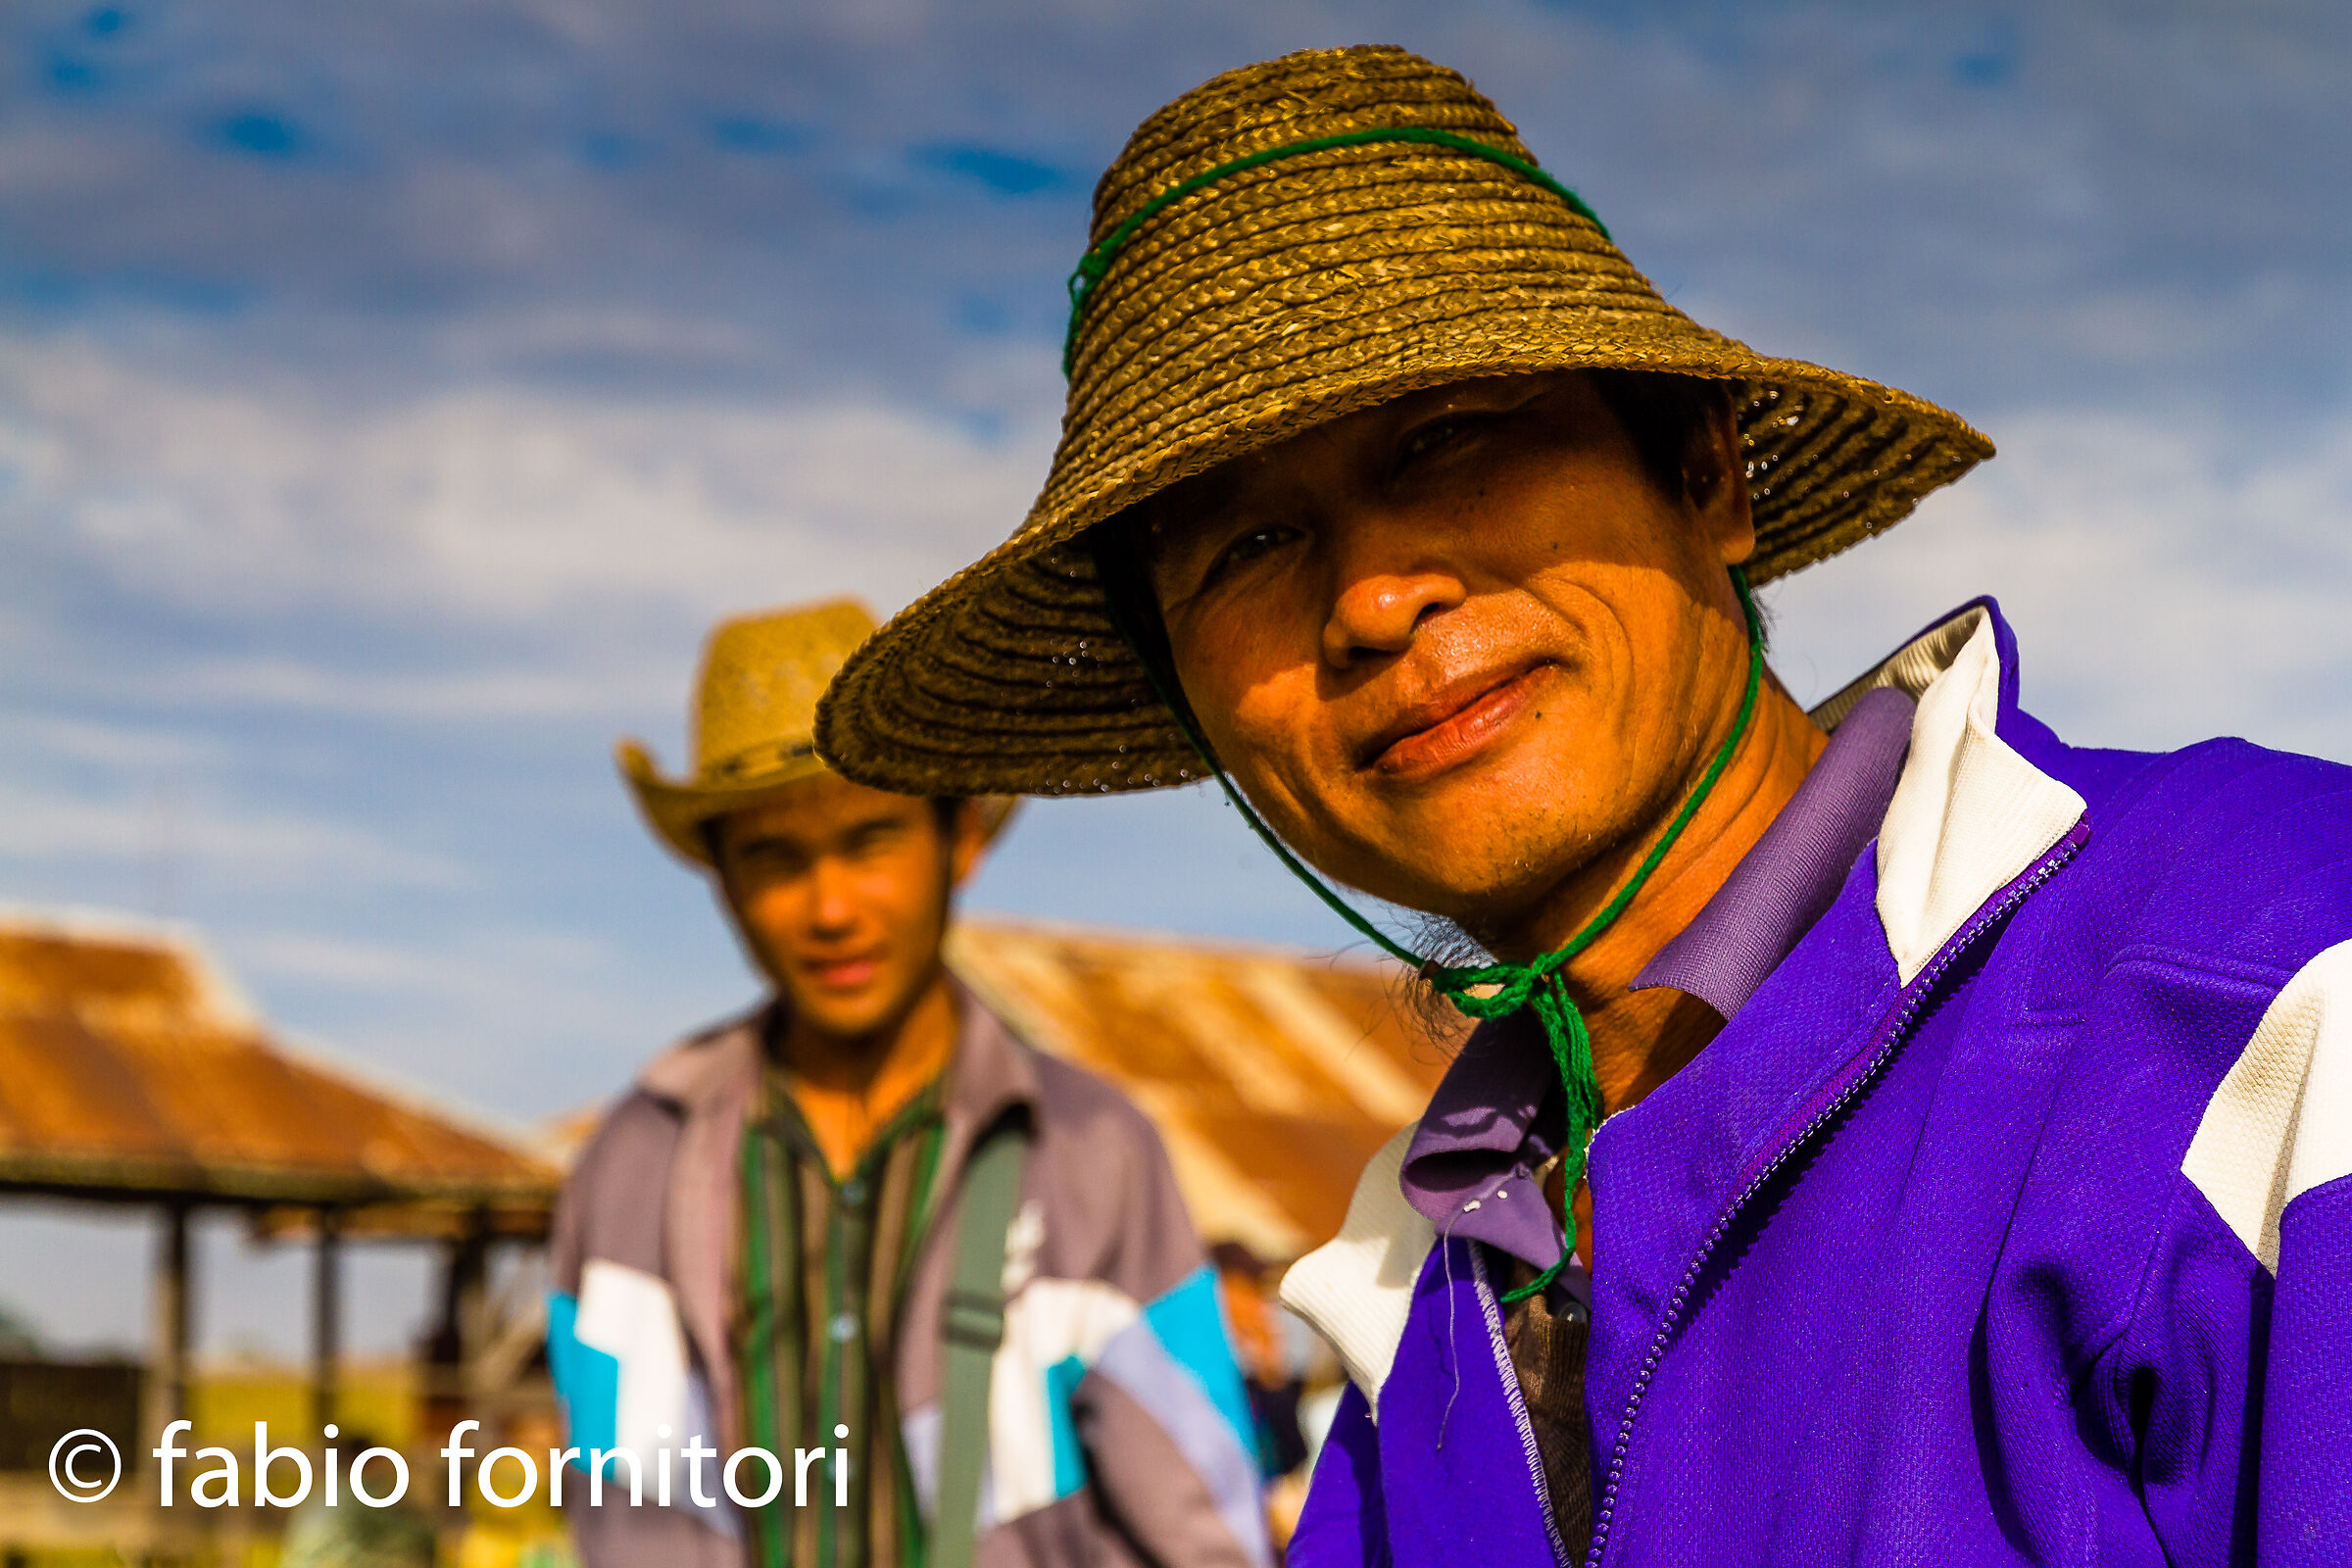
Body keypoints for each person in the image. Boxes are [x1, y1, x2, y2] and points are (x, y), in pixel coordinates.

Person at [812, 46, 2352, 1568]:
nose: (1370, 597)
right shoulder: (1408, 1297)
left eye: (1452, 441)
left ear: (1705, 472)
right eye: (1246, 548)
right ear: (1199, 710)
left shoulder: (2263, 988)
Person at [548, 599, 1270, 1568]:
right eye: (776, 858)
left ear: (958, 838)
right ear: (722, 879)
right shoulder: (634, 1166)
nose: (831, 906)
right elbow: (633, 1519)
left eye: (870, 839)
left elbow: (1204, 1527)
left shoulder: (1095, 1153)